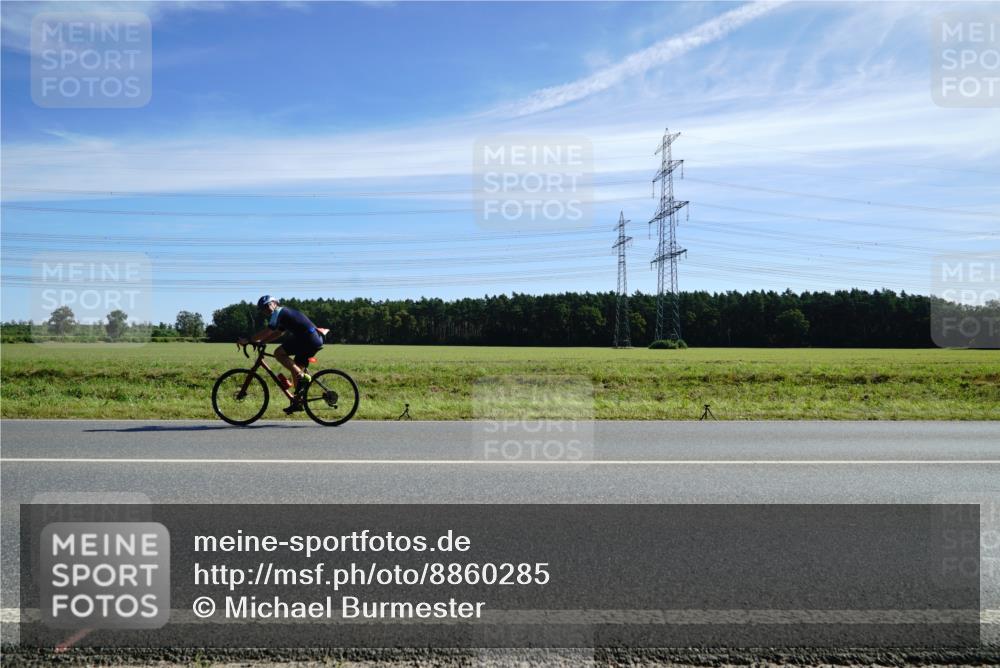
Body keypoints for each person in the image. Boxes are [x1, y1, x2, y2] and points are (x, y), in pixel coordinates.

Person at [238, 295, 325, 413]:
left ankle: (303, 376)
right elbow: (279, 333)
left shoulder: (279, 312)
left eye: (268, 305)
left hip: (309, 338)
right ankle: (297, 402)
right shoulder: (283, 315)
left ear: (275, 303)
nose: (266, 309)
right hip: (312, 339)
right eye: (263, 308)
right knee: (295, 370)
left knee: (278, 353)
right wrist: (261, 342)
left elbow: (269, 330)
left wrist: (249, 339)